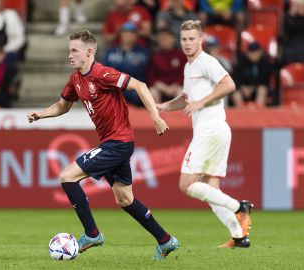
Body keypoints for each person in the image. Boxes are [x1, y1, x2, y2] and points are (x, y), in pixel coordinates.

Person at [27, 30, 179, 260]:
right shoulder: (76, 80)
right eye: (69, 50)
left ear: (89, 52)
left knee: (67, 177)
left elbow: (140, 86)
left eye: (74, 50)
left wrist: (156, 118)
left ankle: (92, 234)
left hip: (118, 142)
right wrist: (41, 114)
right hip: (112, 143)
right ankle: (166, 240)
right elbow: (62, 106)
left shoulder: (102, 73)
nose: (70, 55)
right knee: (125, 199)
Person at [157, 20, 253, 248]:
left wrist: (200, 102)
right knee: (211, 190)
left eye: (192, 39)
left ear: (201, 40)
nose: (188, 43)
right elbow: (186, 99)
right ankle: (239, 236)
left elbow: (229, 84)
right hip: (217, 130)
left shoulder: (207, 62)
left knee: (186, 184)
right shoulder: (189, 66)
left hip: (210, 131)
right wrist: (164, 106)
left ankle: (240, 207)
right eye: (184, 39)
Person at [102, 22, 151, 106]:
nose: (128, 35)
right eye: (125, 33)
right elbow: (105, 71)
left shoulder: (143, 52)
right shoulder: (110, 52)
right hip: (115, 87)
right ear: (121, 35)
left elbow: (139, 70)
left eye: (131, 33)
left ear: (136, 36)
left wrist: (118, 67)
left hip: (134, 88)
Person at [147, 28, 186, 103]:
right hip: (160, 87)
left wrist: (175, 85)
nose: (165, 41)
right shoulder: (155, 56)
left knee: (181, 93)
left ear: (173, 39)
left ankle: (179, 115)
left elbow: (184, 74)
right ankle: (156, 114)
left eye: (167, 38)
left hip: (176, 87)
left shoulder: (181, 55)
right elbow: (150, 76)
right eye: (162, 39)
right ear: (158, 41)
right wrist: (161, 86)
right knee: (152, 92)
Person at [232, 42, 271, 108]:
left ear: (260, 52)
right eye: (251, 53)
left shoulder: (266, 63)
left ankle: (259, 112)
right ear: (247, 54)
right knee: (236, 94)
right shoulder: (241, 62)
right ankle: (240, 113)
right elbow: (235, 78)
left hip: (257, 89)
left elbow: (265, 81)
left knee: (262, 90)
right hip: (243, 89)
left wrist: (253, 88)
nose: (254, 56)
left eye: (256, 53)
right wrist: (242, 87)